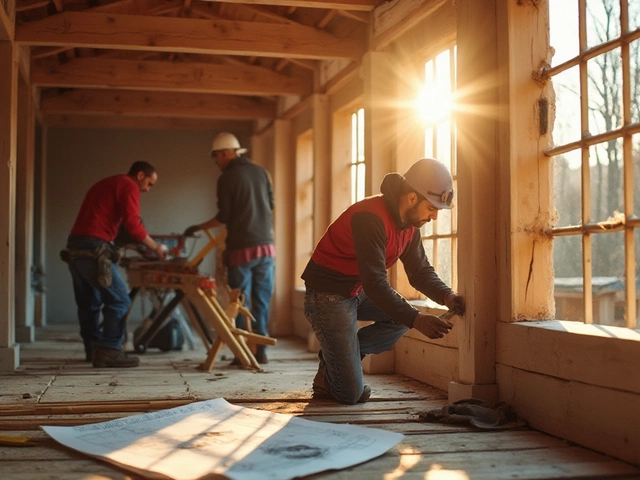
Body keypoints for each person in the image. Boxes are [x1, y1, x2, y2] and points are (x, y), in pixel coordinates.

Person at [301, 158, 466, 405]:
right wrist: (418, 320)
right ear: (412, 197)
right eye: (431, 208)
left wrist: (447, 296)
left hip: (354, 290)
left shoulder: (410, 224)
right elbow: (376, 284)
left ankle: (337, 358)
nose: (433, 217)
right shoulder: (369, 218)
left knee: (401, 318)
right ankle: (339, 360)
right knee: (350, 395)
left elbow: (419, 271)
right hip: (327, 295)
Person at [63, 161, 168, 368]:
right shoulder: (128, 185)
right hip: (94, 248)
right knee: (120, 300)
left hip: (75, 247)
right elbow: (133, 225)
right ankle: (110, 349)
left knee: (89, 303)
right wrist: (156, 247)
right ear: (139, 175)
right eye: (149, 183)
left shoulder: (109, 183)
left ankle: (93, 350)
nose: (147, 189)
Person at [183, 132, 275, 364]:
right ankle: (260, 351)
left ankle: (242, 352)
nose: (217, 163)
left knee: (237, 302)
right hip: (266, 247)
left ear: (225, 153)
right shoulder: (261, 172)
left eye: (217, 158)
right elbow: (270, 205)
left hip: (242, 249)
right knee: (261, 300)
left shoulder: (227, 178)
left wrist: (198, 227)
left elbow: (224, 216)